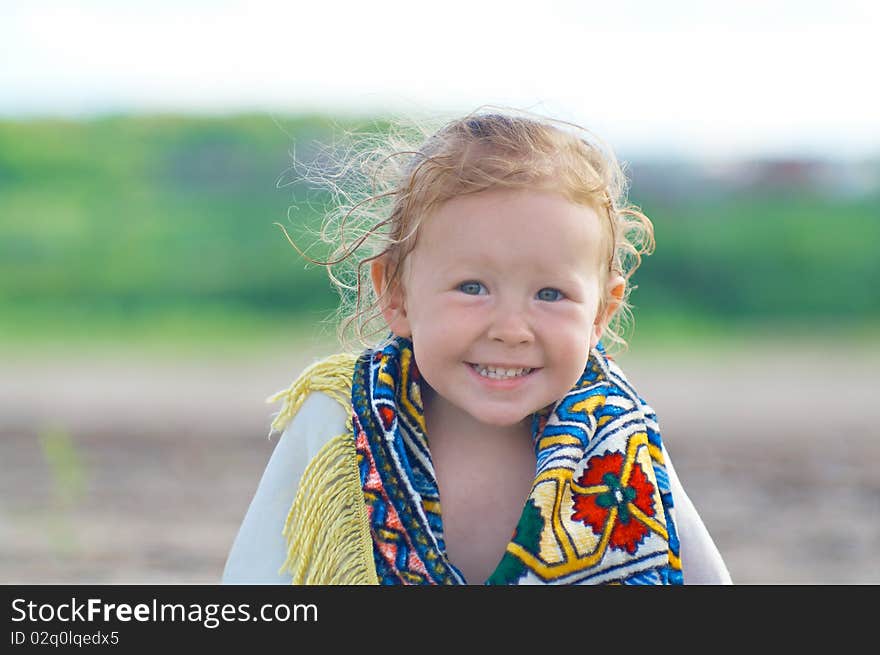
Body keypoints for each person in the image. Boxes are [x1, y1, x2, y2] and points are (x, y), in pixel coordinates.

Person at [221, 107, 732, 585]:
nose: (511, 329)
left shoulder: (619, 434)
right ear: (395, 294)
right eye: (472, 288)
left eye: (550, 294)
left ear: (601, 312)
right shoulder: (342, 418)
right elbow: (257, 571)